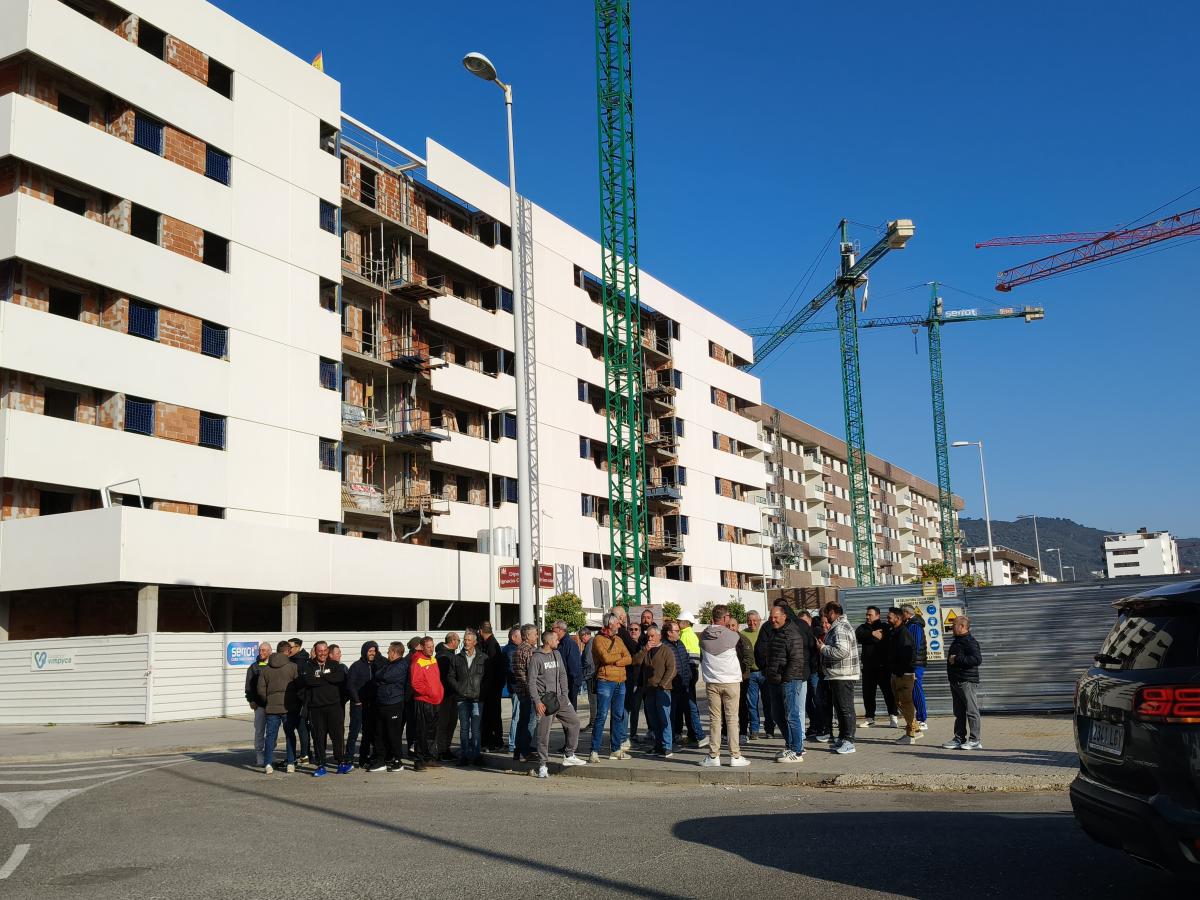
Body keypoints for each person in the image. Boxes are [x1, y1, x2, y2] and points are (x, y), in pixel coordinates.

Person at [528, 629, 589, 777]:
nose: (558, 641)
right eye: (555, 639)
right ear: (548, 642)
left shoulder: (557, 654)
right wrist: (537, 702)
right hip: (545, 701)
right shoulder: (536, 658)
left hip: (560, 699)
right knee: (544, 735)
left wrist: (565, 695)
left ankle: (569, 755)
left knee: (574, 722)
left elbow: (562, 674)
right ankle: (543, 765)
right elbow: (531, 682)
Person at [698, 604, 750, 768]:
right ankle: (735, 756)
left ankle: (714, 756)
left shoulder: (704, 636)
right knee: (732, 719)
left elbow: (709, 633)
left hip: (712, 682)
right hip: (731, 681)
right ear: (726, 618)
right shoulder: (733, 636)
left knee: (715, 720)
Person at [761, 602, 807, 763]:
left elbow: (796, 660)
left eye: (775, 617)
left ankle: (797, 750)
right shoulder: (774, 632)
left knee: (792, 715)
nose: (772, 620)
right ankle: (790, 745)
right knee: (777, 714)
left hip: (789, 680)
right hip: (774, 680)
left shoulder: (792, 633)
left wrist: (787, 679)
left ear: (784, 617)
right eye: (771, 617)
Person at [300, 641, 350, 777]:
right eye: (319, 651)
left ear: (327, 651)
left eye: (324, 651)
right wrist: (328, 678)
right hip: (316, 709)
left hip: (334, 707)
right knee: (318, 737)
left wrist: (322, 676)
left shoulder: (335, 665)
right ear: (315, 652)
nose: (322, 653)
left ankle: (341, 763)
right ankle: (321, 765)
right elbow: (308, 681)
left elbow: (339, 678)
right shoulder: (308, 666)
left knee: (337, 736)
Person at [589, 612, 633, 762]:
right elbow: (605, 658)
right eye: (617, 624)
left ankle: (615, 749)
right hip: (605, 681)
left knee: (618, 716)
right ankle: (594, 751)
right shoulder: (598, 640)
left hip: (621, 682)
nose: (619, 626)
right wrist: (619, 658)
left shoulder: (619, 639)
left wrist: (617, 662)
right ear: (610, 625)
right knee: (601, 716)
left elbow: (629, 658)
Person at [819, 601, 861, 755]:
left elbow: (842, 651)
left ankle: (849, 740)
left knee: (845, 708)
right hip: (838, 675)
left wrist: (823, 648)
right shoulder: (839, 626)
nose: (825, 617)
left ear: (832, 612)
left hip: (844, 675)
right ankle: (843, 738)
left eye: (826, 614)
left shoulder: (841, 627)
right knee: (840, 708)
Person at [632, 624, 676, 757]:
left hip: (662, 689)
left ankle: (667, 746)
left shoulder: (666, 650)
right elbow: (635, 661)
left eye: (652, 636)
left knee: (664, 718)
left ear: (659, 636)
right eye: (648, 636)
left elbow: (672, 669)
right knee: (653, 719)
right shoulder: (647, 650)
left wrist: (663, 684)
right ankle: (657, 745)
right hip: (649, 690)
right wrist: (645, 649)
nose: (650, 638)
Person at [257, 640, 299, 774]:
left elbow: (260, 689)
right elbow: (298, 687)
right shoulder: (293, 667)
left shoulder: (266, 669)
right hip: (289, 707)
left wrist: (267, 701)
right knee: (289, 735)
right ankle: (291, 763)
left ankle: (268, 764)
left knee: (270, 736)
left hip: (271, 707)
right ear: (287, 651)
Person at [368, 641, 409, 773]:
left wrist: (381, 677)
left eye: (389, 651)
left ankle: (397, 760)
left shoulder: (401, 665)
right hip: (382, 703)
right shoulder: (388, 664)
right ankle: (381, 760)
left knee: (393, 734)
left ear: (395, 652)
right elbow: (378, 676)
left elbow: (385, 676)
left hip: (394, 703)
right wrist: (380, 677)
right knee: (379, 733)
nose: (387, 653)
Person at [943, 616, 983, 750]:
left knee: (972, 711)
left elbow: (977, 659)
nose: (952, 627)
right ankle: (959, 738)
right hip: (956, 680)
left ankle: (975, 740)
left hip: (966, 681)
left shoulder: (970, 641)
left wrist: (958, 659)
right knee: (959, 712)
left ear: (962, 626)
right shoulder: (958, 640)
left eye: (954, 625)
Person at [855, 606, 899, 728]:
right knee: (868, 693)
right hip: (868, 667)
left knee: (888, 693)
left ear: (877, 615)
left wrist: (870, 638)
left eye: (870, 614)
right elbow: (858, 636)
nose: (867, 617)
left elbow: (884, 640)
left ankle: (893, 716)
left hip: (883, 667)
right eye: (867, 614)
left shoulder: (885, 627)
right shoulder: (863, 628)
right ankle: (870, 718)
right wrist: (871, 634)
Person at [665, 620, 705, 749]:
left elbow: (686, 662)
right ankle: (669, 742)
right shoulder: (665, 647)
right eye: (676, 631)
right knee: (671, 714)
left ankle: (698, 735)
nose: (679, 632)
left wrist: (688, 679)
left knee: (690, 709)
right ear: (669, 633)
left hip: (683, 684)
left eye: (678, 630)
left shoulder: (680, 643)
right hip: (672, 686)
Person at [449, 629, 486, 765]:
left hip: (477, 698)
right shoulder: (457, 658)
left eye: (469, 640)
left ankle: (476, 755)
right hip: (462, 698)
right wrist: (459, 688)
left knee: (476, 729)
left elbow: (487, 678)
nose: (466, 642)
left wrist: (482, 692)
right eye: (464, 640)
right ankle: (464, 755)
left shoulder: (483, 657)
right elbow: (450, 676)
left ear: (475, 642)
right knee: (464, 728)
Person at [408, 636, 444, 771]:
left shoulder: (433, 659)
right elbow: (416, 684)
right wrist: (430, 692)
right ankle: (419, 760)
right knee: (421, 731)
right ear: (422, 647)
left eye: (432, 646)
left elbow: (436, 679)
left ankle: (429, 758)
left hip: (435, 701)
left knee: (432, 732)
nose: (431, 649)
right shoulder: (417, 661)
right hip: (423, 701)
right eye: (428, 646)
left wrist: (439, 691)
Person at [887, 607, 921, 744]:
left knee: (906, 703)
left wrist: (900, 672)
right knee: (900, 703)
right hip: (897, 673)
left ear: (898, 618)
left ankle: (911, 734)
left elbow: (908, 655)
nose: (887, 619)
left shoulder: (903, 633)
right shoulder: (894, 632)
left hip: (904, 675)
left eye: (890, 617)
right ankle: (915, 731)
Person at [346, 641, 379, 768]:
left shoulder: (376, 666)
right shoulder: (356, 666)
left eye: (374, 651)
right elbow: (350, 685)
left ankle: (363, 758)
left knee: (368, 733)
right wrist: (357, 700)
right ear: (365, 651)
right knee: (354, 733)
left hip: (371, 705)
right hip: (358, 705)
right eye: (370, 651)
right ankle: (348, 758)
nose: (372, 653)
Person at [801, 608, 830, 743]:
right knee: (807, 702)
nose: (803, 625)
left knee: (818, 700)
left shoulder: (816, 632)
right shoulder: (798, 634)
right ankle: (814, 725)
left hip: (815, 672)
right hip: (803, 672)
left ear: (810, 621)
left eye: (805, 622)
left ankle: (822, 726)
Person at [511, 624, 539, 762]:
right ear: (527, 636)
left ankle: (518, 750)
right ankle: (525, 751)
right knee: (530, 723)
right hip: (529, 691)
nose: (537, 636)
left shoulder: (517, 650)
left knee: (522, 721)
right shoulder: (530, 651)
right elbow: (533, 673)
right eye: (535, 634)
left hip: (521, 690)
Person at [677, 611, 705, 746]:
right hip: (691, 672)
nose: (678, 623)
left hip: (688, 673)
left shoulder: (686, 635)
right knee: (688, 704)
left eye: (679, 621)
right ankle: (693, 734)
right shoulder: (688, 634)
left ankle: (697, 734)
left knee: (690, 705)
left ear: (686, 623)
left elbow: (688, 658)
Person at [743, 612, 773, 740]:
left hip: (765, 673)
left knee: (768, 703)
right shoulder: (742, 635)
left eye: (755, 620)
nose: (752, 623)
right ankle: (754, 730)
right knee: (752, 704)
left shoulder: (766, 633)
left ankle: (769, 729)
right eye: (749, 620)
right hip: (750, 674)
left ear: (760, 621)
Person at [245, 640, 272, 768]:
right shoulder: (254, 667)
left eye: (264, 650)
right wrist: (251, 700)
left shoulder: (274, 665)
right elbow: (248, 686)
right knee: (259, 730)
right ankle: (259, 754)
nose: (261, 652)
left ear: (270, 651)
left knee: (272, 731)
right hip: (260, 706)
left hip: (273, 705)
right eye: (260, 650)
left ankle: (270, 753)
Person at [478, 622, 505, 752]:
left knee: (491, 715)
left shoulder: (491, 645)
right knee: (492, 715)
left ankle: (494, 741)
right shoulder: (492, 643)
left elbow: (491, 668)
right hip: (494, 686)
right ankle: (494, 740)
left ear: (481, 631)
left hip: (491, 687)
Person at [902, 604, 929, 730]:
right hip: (912, 663)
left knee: (917, 689)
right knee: (912, 690)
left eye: (902, 614)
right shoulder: (909, 624)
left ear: (907, 613)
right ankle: (916, 719)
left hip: (916, 664)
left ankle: (922, 719)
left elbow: (915, 646)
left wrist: (910, 663)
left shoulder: (915, 626)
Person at [435, 632, 461, 761]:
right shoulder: (443, 656)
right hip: (445, 696)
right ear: (453, 641)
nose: (460, 643)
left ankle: (446, 749)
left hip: (452, 695)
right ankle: (441, 751)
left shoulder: (450, 654)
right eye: (459, 640)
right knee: (444, 723)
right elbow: (445, 678)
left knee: (451, 723)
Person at [286, 638, 311, 763]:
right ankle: (295, 755)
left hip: (300, 701)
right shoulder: (290, 660)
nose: (288, 649)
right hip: (290, 701)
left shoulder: (302, 662)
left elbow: (303, 683)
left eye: (290, 647)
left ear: (298, 648)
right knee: (291, 728)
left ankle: (304, 755)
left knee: (302, 728)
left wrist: (302, 699)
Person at [552, 620, 583, 711]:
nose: (552, 631)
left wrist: (571, 683)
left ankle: (570, 725)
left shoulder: (569, 643)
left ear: (560, 630)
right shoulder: (560, 643)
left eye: (553, 629)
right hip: (564, 681)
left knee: (570, 709)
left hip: (570, 682)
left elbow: (574, 666)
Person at [623, 621, 645, 746]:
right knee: (626, 708)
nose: (633, 631)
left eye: (636, 629)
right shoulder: (625, 644)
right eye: (631, 629)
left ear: (640, 631)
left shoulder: (642, 645)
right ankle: (624, 735)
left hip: (640, 681)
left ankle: (633, 733)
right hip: (627, 680)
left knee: (636, 709)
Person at [502, 626, 523, 752]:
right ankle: (513, 744)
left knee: (518, 715)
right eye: (520, 637)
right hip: (516, 687)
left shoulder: (511, 649)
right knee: (517, 716)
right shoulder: (511, 650)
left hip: (515, 687)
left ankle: (514, 742)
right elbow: (512, 670)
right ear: (513, 637)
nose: (522, 639)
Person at [578, 628, 597, 730]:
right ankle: (593, 722)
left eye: (581, 638)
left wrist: (584, 670)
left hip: (591, 675)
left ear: (585, 635)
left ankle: (593, 722)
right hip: (592, 674)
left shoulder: (590, 643)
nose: (581, 641)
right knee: (593, 700)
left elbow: (588, 661)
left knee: (593, 700)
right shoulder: (592, 642)